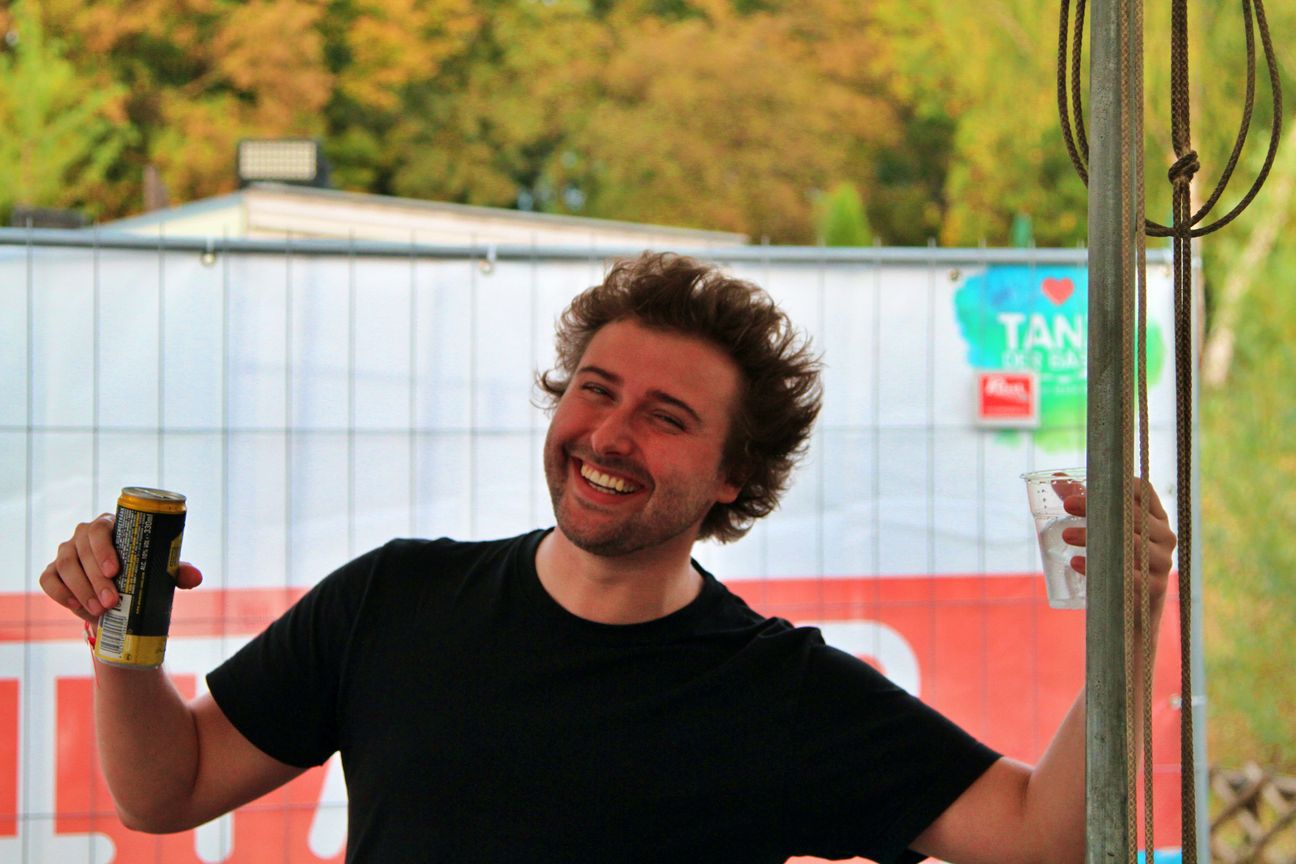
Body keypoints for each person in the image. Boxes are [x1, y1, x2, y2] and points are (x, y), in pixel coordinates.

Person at [39, 251, 1177, 864]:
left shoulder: (780, 692)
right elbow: (165, 791)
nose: (609, 436)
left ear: (732, 475)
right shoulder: (395, 596)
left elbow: (1044, 843)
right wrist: (118, 630)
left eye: (666, 418)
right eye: (595, 391)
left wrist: (1131, 618)